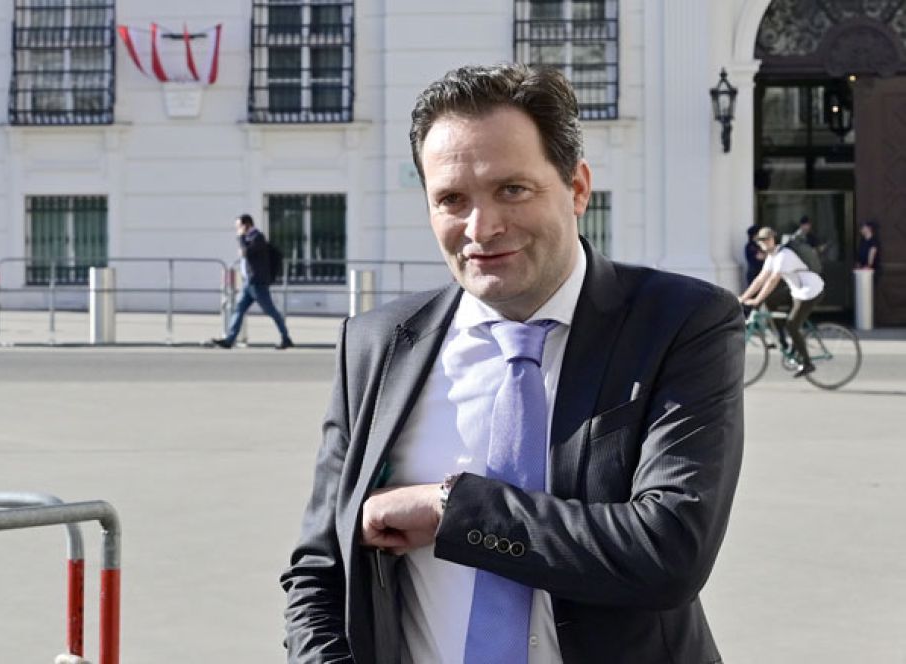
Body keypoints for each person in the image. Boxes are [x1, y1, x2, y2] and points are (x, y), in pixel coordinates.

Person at [281, 64, 744, 664]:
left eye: (512, 190)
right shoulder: (378, 345)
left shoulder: (680, 323)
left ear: (577, 188)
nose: (481, 228)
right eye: (451, 199)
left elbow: (669, 551)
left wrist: (450, 509)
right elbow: (320, 571)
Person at [739, 226, 824, 377]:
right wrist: (743, 298)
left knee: (792, 325)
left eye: (767, 239)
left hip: (810, 290)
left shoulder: (784, 255)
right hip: (797, 290)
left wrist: (757, 300)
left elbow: (773, 280)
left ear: (773, 239)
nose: (765, 243)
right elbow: (760, 279)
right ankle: (782, 341)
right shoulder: (772, 257)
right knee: (769, 301)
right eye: (761, 241)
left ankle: (807, 363)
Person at [208, 214, 293, 350]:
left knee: (271, 311)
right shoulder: (250, 239)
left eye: (239, 226)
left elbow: (245, 252)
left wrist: (241, 238)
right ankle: (229, 339)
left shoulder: (258, 237)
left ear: (246, 225)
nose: (237, 230)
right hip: (248, 283)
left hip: (257, 283)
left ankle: (286, 338)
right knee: (238, 309)